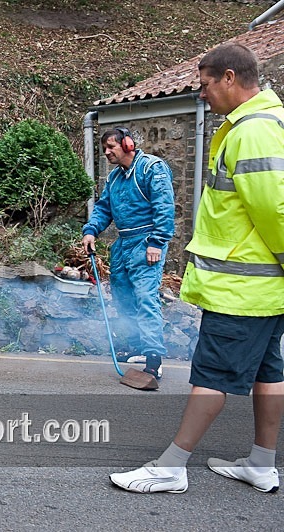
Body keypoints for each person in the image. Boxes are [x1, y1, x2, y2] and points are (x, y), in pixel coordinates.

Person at [110, 42, 284, 494]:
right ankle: (262, 464)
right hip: (264, 289)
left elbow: (276, 210)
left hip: (244, 289)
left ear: (230, 77)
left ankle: (172, 465)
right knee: (269, 371)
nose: (202, 94)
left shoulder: (253, 132)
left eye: (206, 84)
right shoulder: (264, 123)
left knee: (211, 375)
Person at [81, 126, 175, 380]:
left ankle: (153, 357)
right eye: (104, 149)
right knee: (123, 298)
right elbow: (103, 208)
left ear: (128, 144)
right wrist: (91, 231)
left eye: (111, 147)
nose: (107, 152)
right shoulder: (114, 178)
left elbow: (164, 208)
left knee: (145, 297)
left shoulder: (151, 168)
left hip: (146, 242)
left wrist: (157, 242)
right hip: (123, 244)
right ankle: (136, 347)